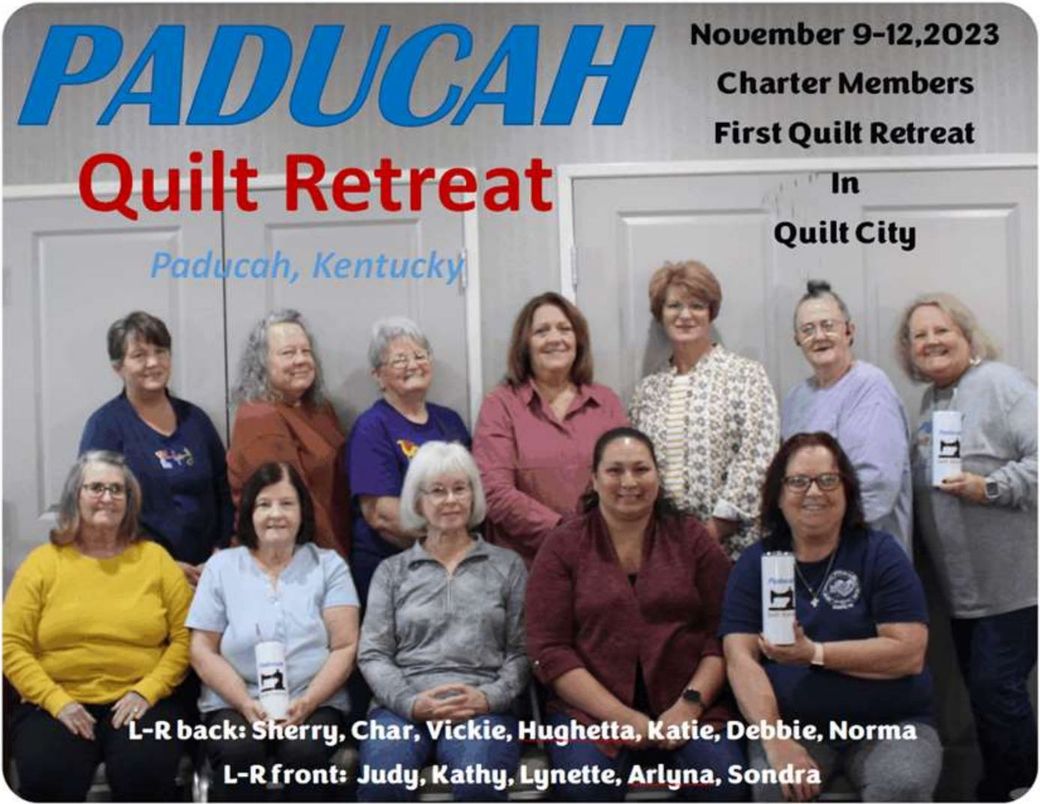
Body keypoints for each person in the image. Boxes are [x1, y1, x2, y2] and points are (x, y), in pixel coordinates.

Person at [526, 427, 744, 801]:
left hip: (690, 706)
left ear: (658, 477)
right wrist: (623, 718)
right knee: (584, 785)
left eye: (641, 469)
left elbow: (723, 633)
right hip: (589, 712)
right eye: (614, 471)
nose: (629, 481)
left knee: (723, 781)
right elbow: (550, 650)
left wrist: (690, 706)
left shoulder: (692, 538)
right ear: (594, 480)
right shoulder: (563, 544)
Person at [720, 433, 941, 802]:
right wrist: (774, 738)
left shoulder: (881, 553)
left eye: (827, 479)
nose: (814, 492)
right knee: (775, 787)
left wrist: (814, 654)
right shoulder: (756, 562)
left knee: (902, 784)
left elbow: (908, 653)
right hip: (794, 725)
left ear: (847, 490)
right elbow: (739, 659)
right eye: (797, 481)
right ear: (778, 493)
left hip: (890, 725)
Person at [898, 293, 1037, 801]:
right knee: (984, 700)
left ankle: (1017, 791)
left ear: (967, 336)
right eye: (919, 335)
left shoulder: (1000, 384)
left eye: (942, 330)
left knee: (996, 696)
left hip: (1014, 589)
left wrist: (989, 487)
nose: (931, 341)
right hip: (961, 596)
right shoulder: (930, 401)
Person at [3, 451, 192, 801]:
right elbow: (11, 644)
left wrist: (147, 690)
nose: (107, 497)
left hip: (142, 701)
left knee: (147, 771)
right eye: (96, 488)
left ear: (129, 501)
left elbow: (185, 639)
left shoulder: (156, 560)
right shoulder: (42, 564)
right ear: (76, 496)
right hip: (56, 702)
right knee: (48, 772)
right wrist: (57, 701)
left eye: (117, 490)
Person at [357, 441, 527, 802]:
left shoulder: (507, 566)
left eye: (459, 488)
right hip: (402, 709)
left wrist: (487, 698)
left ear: (473, 495)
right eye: (437, 491)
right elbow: (373, 654)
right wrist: (411, 703)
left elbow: (523, 653)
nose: (450, 500)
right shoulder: (392, 572)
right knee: (383, 783)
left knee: (478, 779)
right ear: (417, 502)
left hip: (483, 709)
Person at [187, 462, 360, 802]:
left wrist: (307, 703)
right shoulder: (222, 567)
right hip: (235, 702)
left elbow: (345, 646)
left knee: (305, 754)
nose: (275, 514)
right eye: (264, 504)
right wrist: (244, 703)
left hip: (314, 700)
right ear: (250, 512)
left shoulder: (329, 566)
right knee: (238, 752)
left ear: (302, 511)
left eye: (286, 504)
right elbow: (201, 649)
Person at [630, 261, 779, 560]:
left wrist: (713, 530)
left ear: (711, 312)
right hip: (662, 551)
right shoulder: (647, 391)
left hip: (733, 549)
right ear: (661, 313)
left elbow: (758, 457)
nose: (685, 315)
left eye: (697, 305)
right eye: (674, 306)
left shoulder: (745, 375)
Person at [473, 292, 627, 564]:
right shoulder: (500, 405)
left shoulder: (607, 402)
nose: (555, 338)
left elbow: (625, 478)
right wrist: (563, 533)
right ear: (525, 344)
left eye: (565, 329)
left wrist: (597, 537)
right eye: (542, 331)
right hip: (523, 567)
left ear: (577, 340)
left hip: (601, 559)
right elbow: (493, 491)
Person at [80, 311, 233, 584]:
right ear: (118, 367)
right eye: (139, 355)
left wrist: (221, 553)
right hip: (138, 575)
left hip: (209, 573)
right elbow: (95, 509)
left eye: (160, 352)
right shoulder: (105, 427)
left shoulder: (196, 420)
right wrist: (162, 565)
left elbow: (224, 488)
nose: (153, 362)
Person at [782, 281, 913, 553]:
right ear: (797, 340)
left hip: (864, 548)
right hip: (811, 547)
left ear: (849, 331)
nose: (819, 336)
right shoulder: (796, 399)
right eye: (808, 329)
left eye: (828, 325)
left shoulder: (871, 387)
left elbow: (877, 485)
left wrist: (818, 534)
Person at [347, 316, 470, 605]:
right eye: (400, 360)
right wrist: (447, 534)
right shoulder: (372, 426)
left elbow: (472, 490)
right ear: (378, 375)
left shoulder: (450, 422)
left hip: (452, 565)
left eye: (419, 355)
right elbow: (381, 514)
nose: (413, 365)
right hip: (392, 570)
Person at [227, 309, 350, 556]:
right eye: (287, 353)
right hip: (291, 560)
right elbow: (286, 505)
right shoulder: (260, 417)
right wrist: (332, 563)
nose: (301, 360)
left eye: (305, 351)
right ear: (262, 363)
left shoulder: (320, 408)